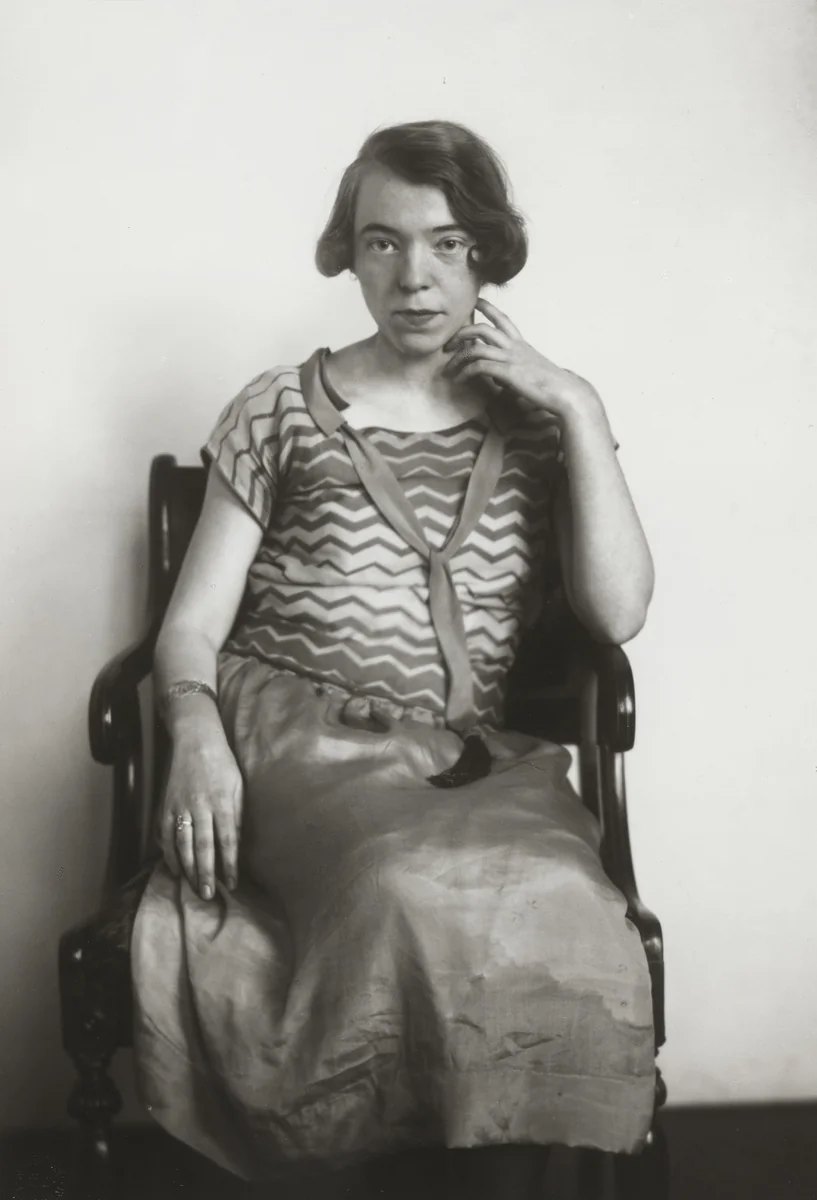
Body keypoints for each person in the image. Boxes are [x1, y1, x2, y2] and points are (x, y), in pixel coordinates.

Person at [131, 120, 656, 1200]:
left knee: (559, 895)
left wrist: (580, 405)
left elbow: (617, 613)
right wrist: (192, 729)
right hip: (293, 735)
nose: (413, 277)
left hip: (466, 761)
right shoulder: (280, 408)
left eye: (447, 243)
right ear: (349, 252)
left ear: (488, 255)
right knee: (406, 887)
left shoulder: (543, 419)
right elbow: (189, 628)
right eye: (382, 243)